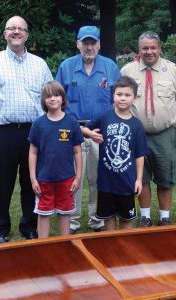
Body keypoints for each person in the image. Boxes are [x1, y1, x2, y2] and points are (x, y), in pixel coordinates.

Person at [0, 16, 53, 243]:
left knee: (32, 182)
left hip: (34, 131)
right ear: (5, 34)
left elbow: (50, 98)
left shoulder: (40, 64)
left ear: (27, 34)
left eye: (21, 29)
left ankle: (29, 225)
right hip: (3, 132)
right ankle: (0, 228)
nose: (16, 32)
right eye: (11, 28)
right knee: (2, 182)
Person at [56, 25, 121, 233]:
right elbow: (58, 101)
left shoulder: (110, 67)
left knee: (97, 178)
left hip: (101, 133)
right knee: (73, 179)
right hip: (72, 131)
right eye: (85, 43)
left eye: (93, 43)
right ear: (78, 44)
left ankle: (97, 219)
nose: (89, 47)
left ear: (99, 44)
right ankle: (72, 220)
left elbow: (118, 101)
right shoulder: (66, 67)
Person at [121, 31, 176, 227]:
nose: (149, 52)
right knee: (141, 177)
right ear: (139, 49)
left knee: (165, 176)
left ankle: (164, 217)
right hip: (136, 134)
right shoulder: (128, 71)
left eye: (153, 47)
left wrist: (165, 116)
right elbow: (119, 99)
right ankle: (145, 216)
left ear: (160, 48)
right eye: (145, 48)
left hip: (164, 134)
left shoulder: (174, 70)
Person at [82, 76, 149, 231]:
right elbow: (85, 129)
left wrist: (138, 179)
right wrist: (91, 134)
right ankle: (110, 247)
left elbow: (140, 154)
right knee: (108, 218)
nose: (123, 98)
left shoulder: (137, 125)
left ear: (134, 98)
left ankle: (125, 250)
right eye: (119, 94)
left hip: (126, 182)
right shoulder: (105, 117)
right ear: (113, 95)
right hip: (106, 181)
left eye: (127, 95)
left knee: (126, 220)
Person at [28, 81, 83, 237]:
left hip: (66, 178)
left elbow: (77, 151)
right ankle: (43, 246)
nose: (53, 99)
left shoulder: (71, 122)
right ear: (44, 100)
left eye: (56, 95)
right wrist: (33, 179)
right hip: (44, 178)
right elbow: (33, 152)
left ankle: (64, 244)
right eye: (48, 96)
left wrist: (78, 177)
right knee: (44, 213)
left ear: (63, 99)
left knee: (64, 212)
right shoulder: (38, 124)